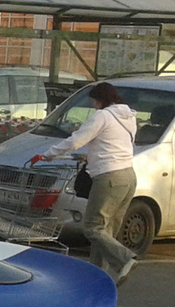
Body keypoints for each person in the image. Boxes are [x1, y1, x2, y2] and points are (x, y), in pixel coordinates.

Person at [31, 81, 139, 284]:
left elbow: (75, 140)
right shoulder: (129, 117)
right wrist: (90, 156)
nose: (93, 106)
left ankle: (125, 259)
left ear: (101, 99)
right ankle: (98, 274)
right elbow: (113, 144)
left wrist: (48, 155)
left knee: (93, 228)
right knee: (107, 230)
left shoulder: (102, 116)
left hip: (109, 177)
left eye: (94, 102)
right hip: (128, 175)